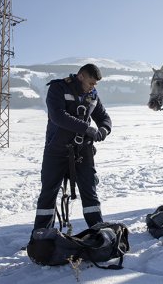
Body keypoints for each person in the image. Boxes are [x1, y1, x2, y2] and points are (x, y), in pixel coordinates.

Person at [30, 63, 112, 233]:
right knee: (48, 194)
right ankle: (41, 236)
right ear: (80, 76)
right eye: (91, 82)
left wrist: (103, 130)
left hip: (83, 152)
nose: (93, 87)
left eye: (95, 84)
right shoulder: (58, 88)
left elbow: (104, 117)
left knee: (90, 192)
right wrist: (86, 128)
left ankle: (98, 234)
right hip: (57, 150)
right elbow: (58, 116)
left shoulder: (92, 95)